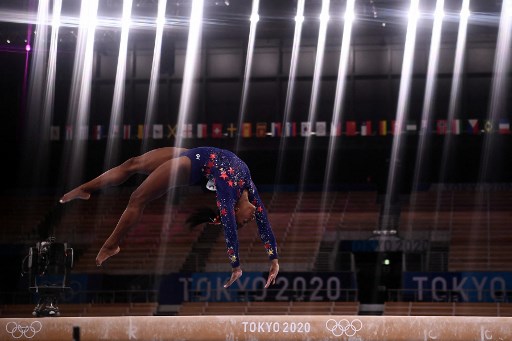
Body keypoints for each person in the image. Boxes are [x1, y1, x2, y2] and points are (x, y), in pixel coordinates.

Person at [59, 146, 279, 288]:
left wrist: (236, 266)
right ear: (237, 211)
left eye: (244, 222)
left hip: (190, 166)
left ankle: (111, 245)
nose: (249, 220)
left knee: (137, 198)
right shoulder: (250, 191)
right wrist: (274, 260)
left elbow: (230, 228)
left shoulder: (227, 194)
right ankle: (84, 189)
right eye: (245, 221)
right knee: (132, 163)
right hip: (194, 153)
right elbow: (265, 226)